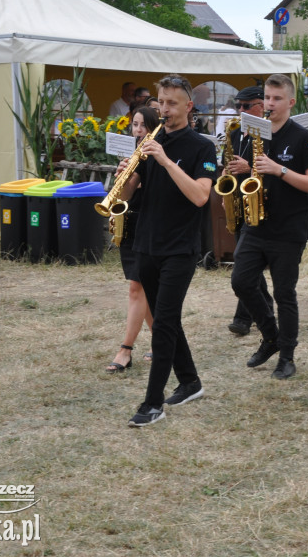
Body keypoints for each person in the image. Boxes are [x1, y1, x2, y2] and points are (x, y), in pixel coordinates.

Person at [123, 74, 217, 427]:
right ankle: (190, 381)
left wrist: (163, 160)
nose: (164, 109)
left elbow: (199, 195)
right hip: (146, 241)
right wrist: (128, 176)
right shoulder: (148, 142)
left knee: (162, 322)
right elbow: (130, 195)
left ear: (189, 106)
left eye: (172, 103)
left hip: (180, 246)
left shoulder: (201, 147)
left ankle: (152, 403)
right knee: (167, 319)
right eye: (160, 102)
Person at [230, 75, 308, 380]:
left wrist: (280, 170)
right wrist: (245, 168)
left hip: (289, 228)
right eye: (267, 98)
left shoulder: (303, 138)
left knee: (285, 294)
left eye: (277, 98)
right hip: (256, 223)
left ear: (291, 102)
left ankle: (287, 356)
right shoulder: (256, 132)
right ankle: (270, 336)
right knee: (241, 282)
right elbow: (252, 172)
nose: (270, 104)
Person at [106, 105, 161, 373]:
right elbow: (123, 195)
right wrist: (124, 178)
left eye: (143, 126)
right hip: (128, 221)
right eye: (135, 125)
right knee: (143, 290)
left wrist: (140, 179)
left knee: (136, 289)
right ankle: (161, 341)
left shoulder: (157, 155)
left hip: (147, 223)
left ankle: (125, 350)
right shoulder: (132, 154)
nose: (138, 130)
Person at [224, 86, 273, 336]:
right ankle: (264, 305)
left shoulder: (270, 133)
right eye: (238, 106)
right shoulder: (234, 134)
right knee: (246, 263)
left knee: (245, 263)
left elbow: (274, 168)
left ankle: (243, 318)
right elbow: (228, 162)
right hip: (238, 202)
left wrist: (249, 167)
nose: (241, 111)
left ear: (261, 106)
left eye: (247, 106)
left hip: (260, 204)